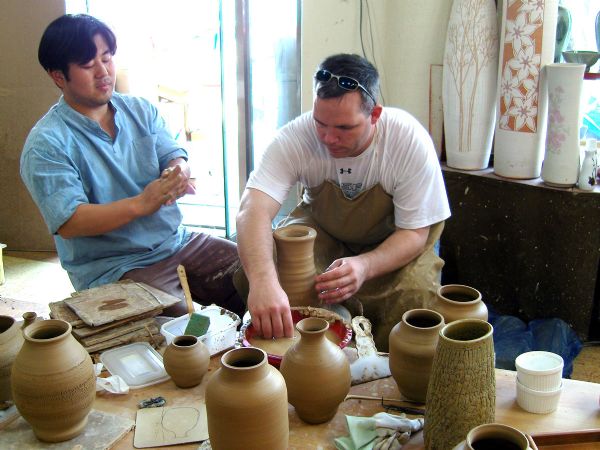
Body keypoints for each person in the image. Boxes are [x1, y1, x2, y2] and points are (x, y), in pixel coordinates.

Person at [20, 14, 244, 318]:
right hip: (115, 266)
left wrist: (177, 174)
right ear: (58, 76)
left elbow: (176, 157)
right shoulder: (47, 143)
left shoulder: (140, 109)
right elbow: (70, 222)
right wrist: (142, 203)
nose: (104, 72)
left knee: (259, 270)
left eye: (107, 58)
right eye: (88, 66)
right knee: (192, 328)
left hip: (176, 242)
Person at [235, 53, 451, 351]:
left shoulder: (407, 141)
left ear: (374, 115)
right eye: (320, 123)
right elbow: (252, 209)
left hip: (396, 238)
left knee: (416, 299)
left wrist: (364, 266)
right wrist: (262, 282)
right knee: (263, 265)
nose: (328, 138)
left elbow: (414, 234)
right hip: (329, 231)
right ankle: (313, 350)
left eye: (344, 128)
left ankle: (378, 363)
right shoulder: (297, 137)